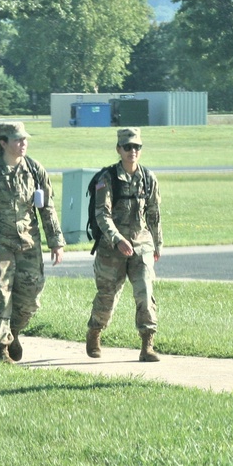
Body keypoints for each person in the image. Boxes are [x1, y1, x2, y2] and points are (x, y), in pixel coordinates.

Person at [0, 122, 65, 364]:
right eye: (17, 140)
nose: (23, 144)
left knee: (30, 296)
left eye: (25, 139)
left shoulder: (35, 170)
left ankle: (13, 333)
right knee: (0, 295)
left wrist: (56, 242)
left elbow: (47, 208)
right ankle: (1, 349)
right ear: (3, 143)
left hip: (28, 243)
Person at [86, 127, 163, 362]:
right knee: (108, 296)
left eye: (137, 147)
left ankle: (147, 344)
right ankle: (95, 332)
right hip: (112, 249)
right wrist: (117, 238)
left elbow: (154, 214)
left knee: (145, 291)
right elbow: (102, 214)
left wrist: (157, 244)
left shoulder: (148, 178)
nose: (132, 151)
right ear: (119, 149)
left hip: (141, 245)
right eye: (128, 147)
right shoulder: (107, 179)